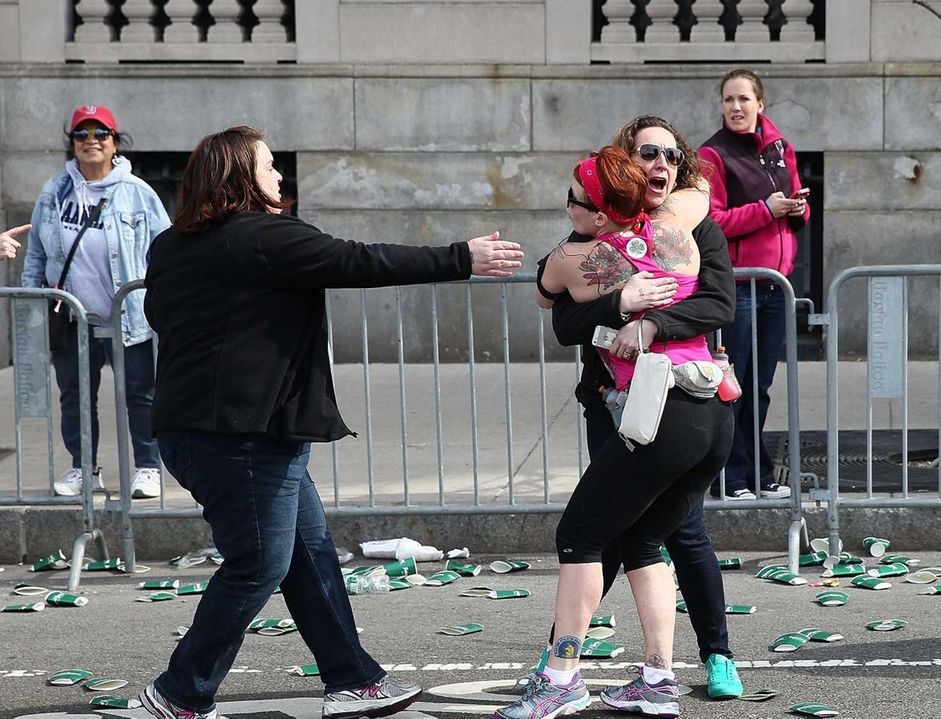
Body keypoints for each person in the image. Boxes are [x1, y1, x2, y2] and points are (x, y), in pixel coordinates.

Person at [137, 126, 522, 719]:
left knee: (309, 554)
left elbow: (160, 317)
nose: (279, 177)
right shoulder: (265, 237)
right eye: (268, 166)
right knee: (258, 564)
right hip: (243, 437)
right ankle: (179, 692)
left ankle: (352, 680)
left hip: (200, 432)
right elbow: (357, 260)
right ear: (239, 175)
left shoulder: (170, 246)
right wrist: (460, 258)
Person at [497, 147, 733, 719]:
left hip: (661, 413)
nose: (567, 209)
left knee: (580, 537)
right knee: (644, 539)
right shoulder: (676, 235)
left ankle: (560, 678)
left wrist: (612, 294)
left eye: (575, 202)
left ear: (601, 215)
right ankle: (657, 679)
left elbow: (545, 293)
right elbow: (696, 200)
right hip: (713, 412)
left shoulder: (578, 258)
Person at [21, 104, 170, 500]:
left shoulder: (138, 193)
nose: (91, 142)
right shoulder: (55, 192)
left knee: (141, 394)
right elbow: (36, 252)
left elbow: (166, 249)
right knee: (76, 397)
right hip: (71, 316)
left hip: (129, 316)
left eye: (100, 134)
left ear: (115, 143)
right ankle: (84, 468)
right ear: (71, 144)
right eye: (82, 135)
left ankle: (148, 466)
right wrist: (31, 304)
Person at [698, 68, 808, 501]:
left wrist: (796, 209)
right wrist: (767, 209)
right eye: (729, 100)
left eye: (744, 99)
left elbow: (797, 205)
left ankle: (758, 475)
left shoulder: (780, 147)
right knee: (733, 385)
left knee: (758, 388)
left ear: (761, 104)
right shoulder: (713, 155)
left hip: (775, 286)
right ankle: (731, 476)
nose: (736, 107)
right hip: (738, 285)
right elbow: (713, 221)